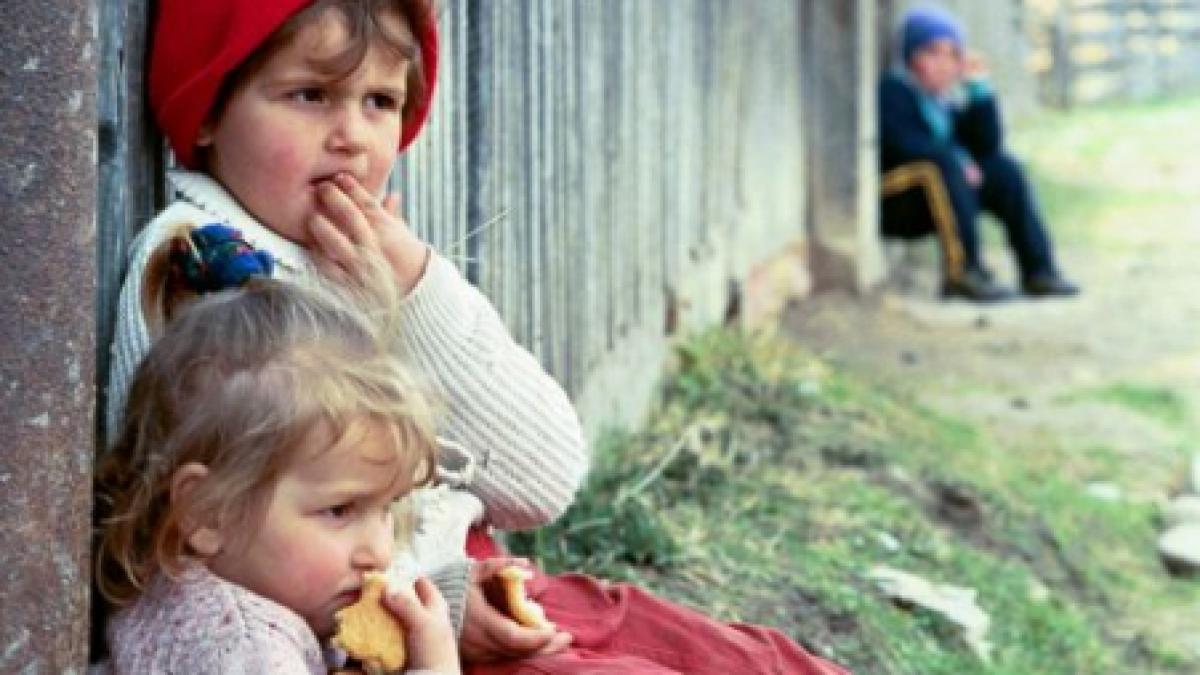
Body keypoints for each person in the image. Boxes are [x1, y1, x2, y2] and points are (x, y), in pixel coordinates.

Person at [107, 1, 849, 672]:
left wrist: (414, 282)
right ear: (208, 108)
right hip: (386, 628)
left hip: (461, 587)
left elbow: (545, 474)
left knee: (752, 658)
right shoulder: (202, 274)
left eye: (381, 102)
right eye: (310, 95)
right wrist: (441, 604)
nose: (353, 138)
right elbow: (223, 562)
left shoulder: (360, 259)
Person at [95, 264, 460, 673]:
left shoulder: (196, 601)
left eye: (388, 509)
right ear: (207, 512)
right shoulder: (247, 647)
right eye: (339, 511)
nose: (378, 552)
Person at [879, 5, 1079, 302]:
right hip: (892, 199)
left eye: (952, 55)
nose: (944, 64)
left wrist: (979, 90)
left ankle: (1039, 271)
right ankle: (964, 273)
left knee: (1003, 169)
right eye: (932, 53)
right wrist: (959, 163)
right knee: (941, 165)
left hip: (944, 192)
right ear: (911, 57)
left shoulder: (944, 103)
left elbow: (987, 146)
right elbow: (904, 147)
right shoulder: (894, 91)